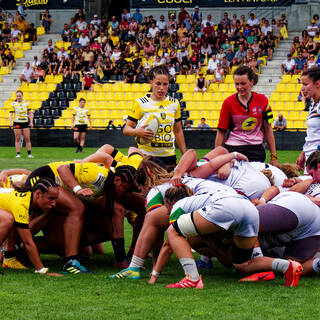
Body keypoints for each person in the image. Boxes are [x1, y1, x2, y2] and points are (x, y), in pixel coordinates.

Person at [123, 65, 186, 169]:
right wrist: (137, 132)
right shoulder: (140, 103)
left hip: (169, 158)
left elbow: (178, 131)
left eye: (165, 84)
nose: (161, 88)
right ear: (151, 83)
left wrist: (184, 154)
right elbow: (126, 129)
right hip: (147, 157)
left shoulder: (175, 103)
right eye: (158, 84)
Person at [215, 66, 277, 165]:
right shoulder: (228, 103)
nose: (240, 87)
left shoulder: (263, 100)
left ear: (252, 82)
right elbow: (221, 132)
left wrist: (274, 156)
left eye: (243, 83)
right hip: (233, 149)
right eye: (237, 84)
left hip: (256, 150)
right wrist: (216, 157)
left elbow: (268, 129)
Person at [0, 178, 60, 276]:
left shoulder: (30, 199)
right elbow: (28, 242)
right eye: (51, 199)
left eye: (55, 199)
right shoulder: (22, 204)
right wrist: (42, 270)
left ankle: (9, 258)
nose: (54, 204)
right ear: (38, 194)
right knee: (8, 219)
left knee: (14, 219)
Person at [297, 67, 320, 172]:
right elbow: (313, 133)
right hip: (311, 159)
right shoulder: (313, 104)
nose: (302, 88)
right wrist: (303, 153)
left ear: (317, 84)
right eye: (301, 84)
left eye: (305, 84)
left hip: (317, 162)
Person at [9, 91, 33, 159]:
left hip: (25, 123)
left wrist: (31, 122)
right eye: (17, 96)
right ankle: (18, 154)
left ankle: (29, 154)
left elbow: (30, 113)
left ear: (22, 96)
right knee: (17, 138)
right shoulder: (13, 104)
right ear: (16, 96)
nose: (19, 97)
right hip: (17, 123)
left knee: (27, 138)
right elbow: (11, 114)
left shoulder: (26, 103)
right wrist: (11, 122)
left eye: (20, 96)